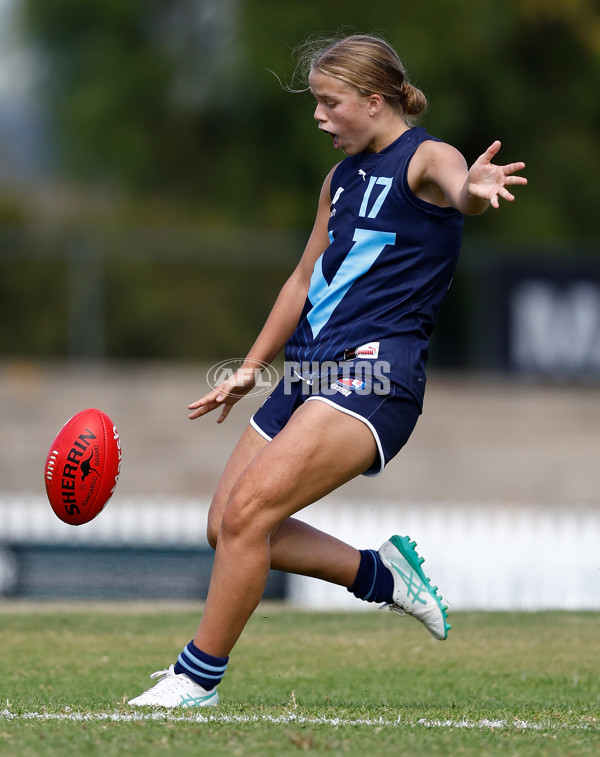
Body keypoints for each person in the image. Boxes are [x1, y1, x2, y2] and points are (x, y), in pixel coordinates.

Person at [128, 33, 526, 708]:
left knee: (250, 514)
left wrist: (478, 191)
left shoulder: (427, 156)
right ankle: (380, 574)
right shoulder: (338, 180)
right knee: (226, 525)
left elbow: (461, 190)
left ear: (374, 100)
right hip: (309, 371)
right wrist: (250, 369)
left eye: (328, 102)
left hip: (376, 375)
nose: (318, 117)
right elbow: (305, 275)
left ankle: (197, 678)